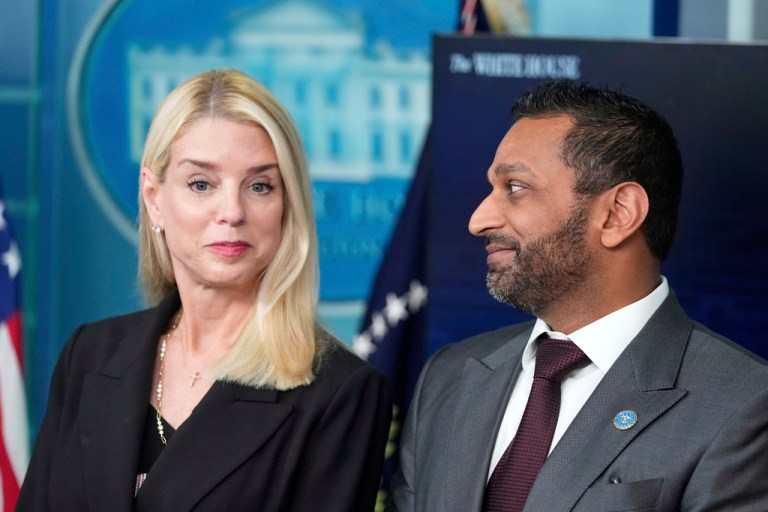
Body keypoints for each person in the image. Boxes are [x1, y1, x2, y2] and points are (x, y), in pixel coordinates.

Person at [18, 69, 392, 511]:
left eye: (259, 186)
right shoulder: (90, 354)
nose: (231, 211)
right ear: (154, 197)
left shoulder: (341, 393)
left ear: (287, 205)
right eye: (201, 184)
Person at [388, 80, 768, 511]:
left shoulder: (744, 406)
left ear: (617, 214)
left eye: (515, 187)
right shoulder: (450, 376)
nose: (478, 219)